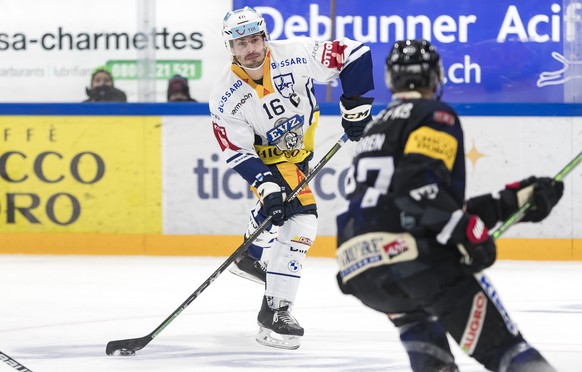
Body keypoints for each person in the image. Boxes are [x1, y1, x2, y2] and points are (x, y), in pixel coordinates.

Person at [335, 39, 563, 372]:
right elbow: (419, 191)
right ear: (435, 77)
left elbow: (413, 203)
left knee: (434, 364)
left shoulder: (375, 126)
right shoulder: (433, 114)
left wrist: (511, 202)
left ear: (390, 79)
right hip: (416, 263)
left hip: (361, 270)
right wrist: (469, 231)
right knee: (506, 352)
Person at [208, 6, 374, 350]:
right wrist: (266, 186)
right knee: (300, 222)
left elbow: (354, 52)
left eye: (255, 39)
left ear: (265, 37)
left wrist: (355, 105)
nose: (250, 48)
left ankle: (250, 254)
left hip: (300, 155)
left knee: (279, 212)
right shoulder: (223, 95)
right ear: (230, 47)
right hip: (269, 162)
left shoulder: (296, 54)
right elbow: (236, 151)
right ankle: (275, 313)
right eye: (241, 44)